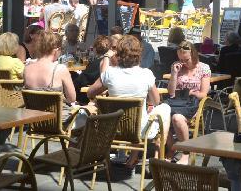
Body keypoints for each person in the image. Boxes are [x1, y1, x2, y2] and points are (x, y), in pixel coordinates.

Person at [87, 35, 171, 168]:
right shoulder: (146, 74)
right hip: (139, 130)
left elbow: (90, 93)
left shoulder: (110, 73)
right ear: (138, 55)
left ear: (118, 53)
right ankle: (158, 154)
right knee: (165, 108)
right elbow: (156, 101)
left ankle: (131, 157)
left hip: (111, 129)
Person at [167, 40, 211, 164]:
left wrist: (191, 93)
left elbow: (203, 94)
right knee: (159, 116)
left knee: (176, 118)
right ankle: (171, 148)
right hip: (178, 103)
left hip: (193, 104)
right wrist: (174, 73)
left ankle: (186, 152)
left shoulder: (203, 68)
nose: (183, 63)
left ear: (194, 55)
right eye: (181, 59)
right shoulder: (178, 68)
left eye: (186, 60)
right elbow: (171, 93)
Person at [23, 31, 76, 106]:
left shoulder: (27, 68)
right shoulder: (60, 69)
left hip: (33, 115)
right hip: (57, 116)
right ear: (56, 50)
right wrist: (60, 97)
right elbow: (72, 98)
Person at [73, 35, 111, 104]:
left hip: (89, 96)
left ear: (95, 49)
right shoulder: (112, 61)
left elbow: (82, 80)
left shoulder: (95, 63)